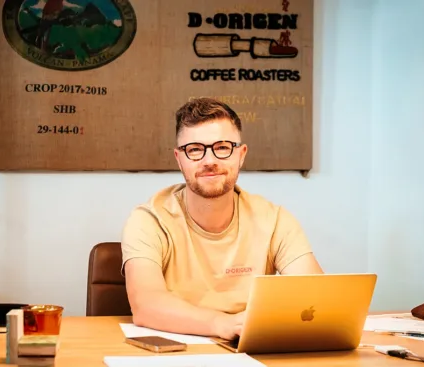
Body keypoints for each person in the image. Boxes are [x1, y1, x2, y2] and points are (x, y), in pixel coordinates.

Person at [121, 97, 323, 341]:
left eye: (223, 147)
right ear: (179, 158)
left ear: (241, 154)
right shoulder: (149, 220)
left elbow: (315, 296)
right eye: (195, 149)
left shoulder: (274, 220)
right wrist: (222, 324)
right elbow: (146, 304)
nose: (209, 161)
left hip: (251, 349)